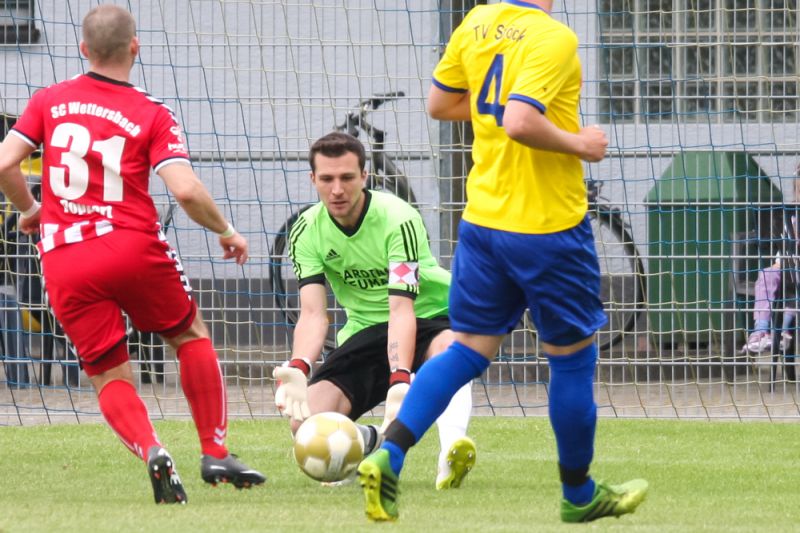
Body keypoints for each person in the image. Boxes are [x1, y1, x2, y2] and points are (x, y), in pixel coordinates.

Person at [357, 0, 648, 523]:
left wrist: (502, 109)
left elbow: (440, 104)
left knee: (467, 350)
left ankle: (390, 452)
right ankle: (579, 494)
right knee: (572, 359)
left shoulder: (477, 21)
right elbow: (519, 121)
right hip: (548, 230)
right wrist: (580, 144)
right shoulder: (553, 38)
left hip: (483, 224)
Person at [0, 4, 265, 504]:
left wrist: (32, 209)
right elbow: (185, 190)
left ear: (83, 49)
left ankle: (152, 449)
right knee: (188, 334)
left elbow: (3, 164)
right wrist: (227, 231)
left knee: (107, 372)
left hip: (66, 257)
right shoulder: (152, 112)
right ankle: (214, 451)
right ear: (135, 47)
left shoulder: (49, 100)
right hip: (131, 246)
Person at [272, 131, 475, 489]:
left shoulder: (398, 218)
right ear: (313, 179)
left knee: (453, 351)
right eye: (327, 179)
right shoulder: (305, 231)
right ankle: (370, 442)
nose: (337, 189)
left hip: (429, 316)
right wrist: (299, 366)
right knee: (304, 423)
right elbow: (313, 314)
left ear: (365, 176)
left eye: (347, 178)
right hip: (366, 329)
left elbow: (401, 309)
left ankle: (451, 451)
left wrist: (400, 377)